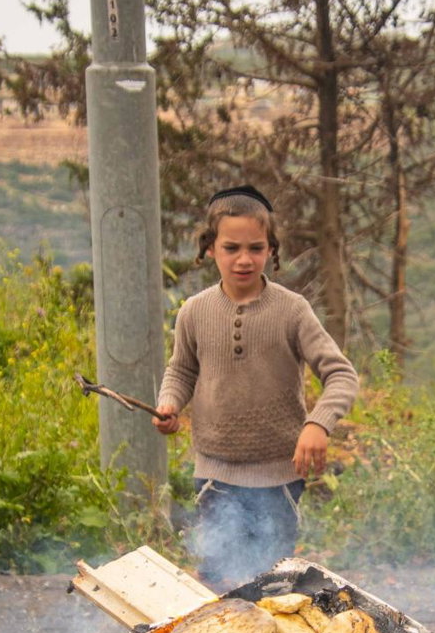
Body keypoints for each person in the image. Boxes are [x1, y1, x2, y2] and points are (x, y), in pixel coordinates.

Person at [153, 184, 359, 587]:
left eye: (256, 248)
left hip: (278, 479)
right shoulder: (194, 312)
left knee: (271, 585)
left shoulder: (291, 310)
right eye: (231, 248)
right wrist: (169, 404)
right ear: (210, 248)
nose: (244, 259)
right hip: (214, 476)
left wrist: (318, 424)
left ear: (271, 249)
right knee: (216, 583)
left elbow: (341, 374)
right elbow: (181, 371)